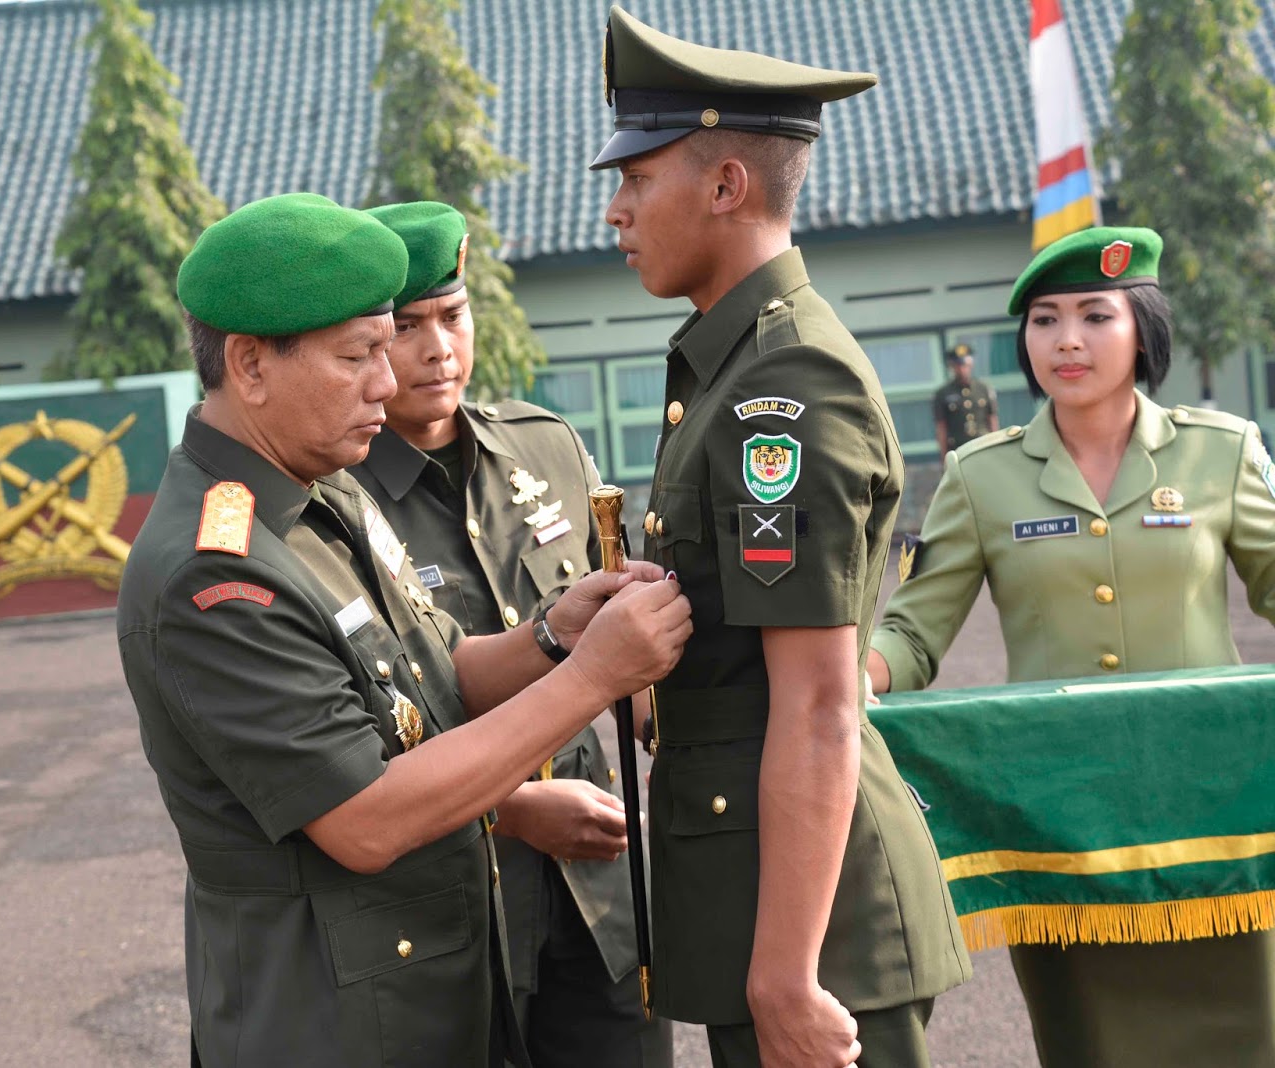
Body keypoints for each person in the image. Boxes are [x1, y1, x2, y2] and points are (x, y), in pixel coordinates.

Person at [116, 192, 692, 1068]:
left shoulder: (324, 487)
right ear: (250, 364)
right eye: (358, 357)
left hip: (432, 995)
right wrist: (593, 680)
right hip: (331, 1025)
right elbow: (366, 819)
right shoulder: (215, 571)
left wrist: (553, 640)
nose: (389, 383)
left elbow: (438, 674)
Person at [590, 8, 970, 1067]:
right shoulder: (729, 367)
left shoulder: (783, 384)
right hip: (757, 889)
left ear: (726, 187)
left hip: (811, 928)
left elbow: (817, 701)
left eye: (636, 178)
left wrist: (785, 973)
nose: (615, 211)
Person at [868, 225, 1275, 1068]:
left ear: (1144, 329)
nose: (1068, 341)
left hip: (1218, 815)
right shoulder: (983, 476)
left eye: (1096, 316)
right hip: (1060, 820)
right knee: (1092, 1046)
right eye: (1045, 320)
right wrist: (854, 676)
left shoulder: (1222, 451)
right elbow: (914, 628)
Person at [348, 200, 672, 1068]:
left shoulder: (547, 447)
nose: (435, 350)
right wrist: (517, 812)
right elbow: (359, 735)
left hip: (604, 894)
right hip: (461, 903)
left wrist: (661, 720)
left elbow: (623, 637)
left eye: (451, 318)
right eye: (403, 329)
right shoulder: (341, 501)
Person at [932, 343, 998, 455]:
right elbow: (941, 428)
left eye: (966, 365)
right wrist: (944, 457)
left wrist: (996, 447)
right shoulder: (943, 393)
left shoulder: (983, 388)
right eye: (958, 366)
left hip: (983, 446)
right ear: (952, 367)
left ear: (971, 365)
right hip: (958, 449)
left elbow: (992, 419)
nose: (962, 369)